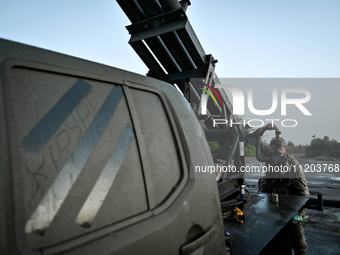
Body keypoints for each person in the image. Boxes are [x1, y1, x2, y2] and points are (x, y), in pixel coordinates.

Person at [255, 123, 309, 255]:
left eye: (280, 147)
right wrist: (265, 128)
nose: (277, 149)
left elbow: (303, 190)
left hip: (291, 204)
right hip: (271, 203)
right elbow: (257, 138)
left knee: (298, 241)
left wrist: (300, 212)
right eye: (274, 146)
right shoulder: (269, 155)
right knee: (270, 239)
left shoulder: (292, 164)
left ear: (285, 149)